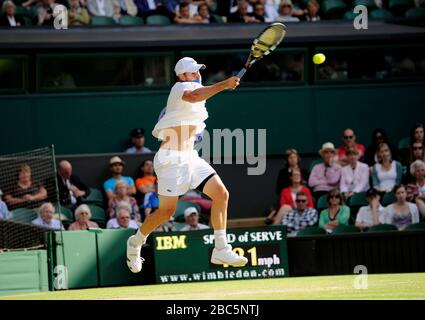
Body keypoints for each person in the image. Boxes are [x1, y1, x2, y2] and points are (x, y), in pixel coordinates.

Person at [126, 56, 247, 274]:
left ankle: (221, 248)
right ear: (182, 76)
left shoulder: (200, 97)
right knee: (166, 212)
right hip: (170, 158)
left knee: (221, 194)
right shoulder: (180, 88)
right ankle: (135, 243)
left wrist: (222, 86)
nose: (197, 74)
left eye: (198, 71)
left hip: (190, 156)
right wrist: (224, 84)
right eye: (193, 72)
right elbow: (194, 95)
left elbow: (201, 95)